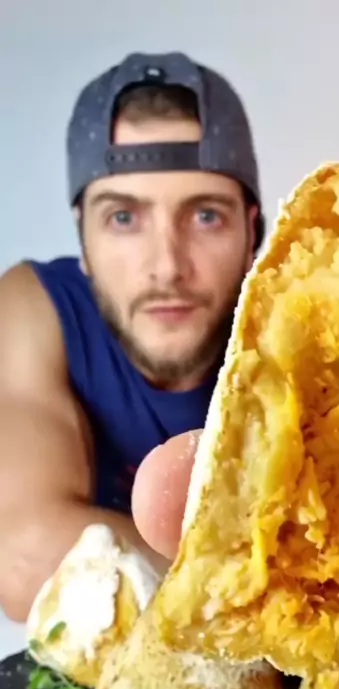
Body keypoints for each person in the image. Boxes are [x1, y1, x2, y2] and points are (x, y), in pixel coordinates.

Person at [0, 51, 264, 621]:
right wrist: (272, 597)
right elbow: (22, 559)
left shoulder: (307, 320)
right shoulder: (36, 307)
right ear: (84, 240)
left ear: (253, 233)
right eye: (123, 218)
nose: (166, 266)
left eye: (206, 216)